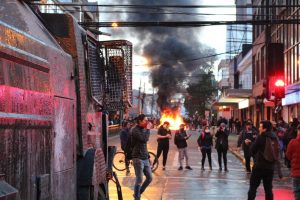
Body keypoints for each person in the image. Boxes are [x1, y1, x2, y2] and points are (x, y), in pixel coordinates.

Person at [247, 120, 278, 200]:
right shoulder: (274, 137)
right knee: (268, 189)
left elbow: (253, 150)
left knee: (253, 187)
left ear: (265, 129)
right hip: (270, 167)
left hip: (259, 166)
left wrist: (250, 144)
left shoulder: (261, 137)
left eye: (260, 127)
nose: (259, 128)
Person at [131, 114, 153, 200]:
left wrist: (148, 156)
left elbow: (144, 145)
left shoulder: (143, 129)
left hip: (145, 157)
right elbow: (144, 139)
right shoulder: (135, 130)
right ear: (140, 121)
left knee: (150, 178)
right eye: (145, 120)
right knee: (139, 179)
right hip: (137, 158)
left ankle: (138, 193)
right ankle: (137, 197)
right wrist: (148, 129)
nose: (147, 122)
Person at [286, 125, 300, 200]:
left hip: (296, 173)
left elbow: (288, 155)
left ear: (298, 131)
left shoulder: (292, 142)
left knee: (297, 192)